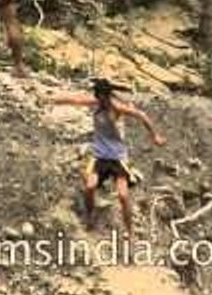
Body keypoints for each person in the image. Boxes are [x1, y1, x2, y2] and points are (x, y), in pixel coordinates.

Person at [47, 78, 165, 239]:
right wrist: (52, 99)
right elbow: (75, 99)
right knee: (90, 187)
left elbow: (141, 115)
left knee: (123, 196)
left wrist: (155, 135)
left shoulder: (116, 107)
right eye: (99, 97)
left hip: (117, 158)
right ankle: (90, 217)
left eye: (104, 97)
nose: (102, 100)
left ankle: (130, 230)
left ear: (108, 96)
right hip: (100, 156)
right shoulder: (95, 103)